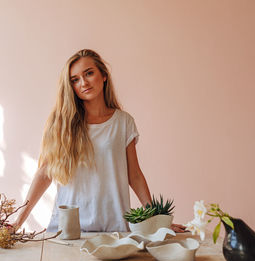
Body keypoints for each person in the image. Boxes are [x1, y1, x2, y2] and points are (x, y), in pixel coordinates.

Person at [15, 49, 185, 233]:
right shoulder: (62, 124)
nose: (84, 82)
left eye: (89, 73)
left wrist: (156, 219)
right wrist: (17, 223)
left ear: (103, 75)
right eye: (75, 79)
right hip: (68, 231)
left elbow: (134, 174)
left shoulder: (123, 122)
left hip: (114, 230)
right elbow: (44, 174)